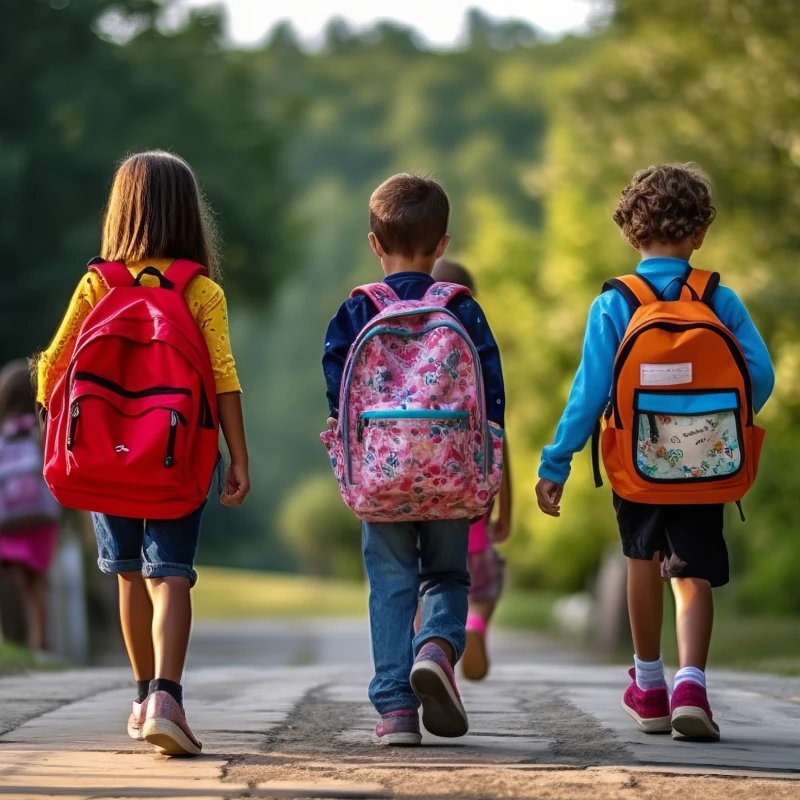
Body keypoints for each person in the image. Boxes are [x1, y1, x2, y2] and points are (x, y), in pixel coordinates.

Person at [535, 163, 774, 741]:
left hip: (636, 464)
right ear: (699, 233)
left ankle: (649, 686)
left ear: (631, 232)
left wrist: (556, 461)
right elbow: (760, 377)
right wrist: (716, 425)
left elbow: (590, 393)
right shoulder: (719, 297)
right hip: (706, 462)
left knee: (641, 561)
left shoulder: (616, 303)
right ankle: (693, 683)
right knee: (691, 573)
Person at [36, 151, 250, 756]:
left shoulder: (96, 284)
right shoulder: (200, 291)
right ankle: (167, 696)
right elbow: (224, 378)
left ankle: (139, 697)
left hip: (103, 457)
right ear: (190, 215)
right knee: (172, 577)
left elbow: (53, 367)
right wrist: (238, 457)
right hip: (176, 458)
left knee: (127, 573)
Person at [323, 174, 505, 745]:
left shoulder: (356, 312)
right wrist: (487, 468)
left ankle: (396, 711)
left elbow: (337, 391)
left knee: (391, 586)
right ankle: (436, 647)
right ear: (442, 243)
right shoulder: (463, 309)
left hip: (381, 482)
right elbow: (491, 396)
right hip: (450, 477)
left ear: (374, 243)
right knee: (449, 575)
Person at [431, 260, 512, 681]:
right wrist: (506, 510)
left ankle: (429, 655)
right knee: (483, 588)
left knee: (426, 591)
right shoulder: (477, 355)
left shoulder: (413, 350)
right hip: (473, 512)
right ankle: (475, 628)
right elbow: (499, 441)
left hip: (421, 503)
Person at [0, 360, 59, 653]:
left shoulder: (3, 434)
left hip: (8, 518)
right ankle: (39, 643)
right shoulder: (42, 430)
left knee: (13, 578)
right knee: (38, 584)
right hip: (40, 516)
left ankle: (13, 638)